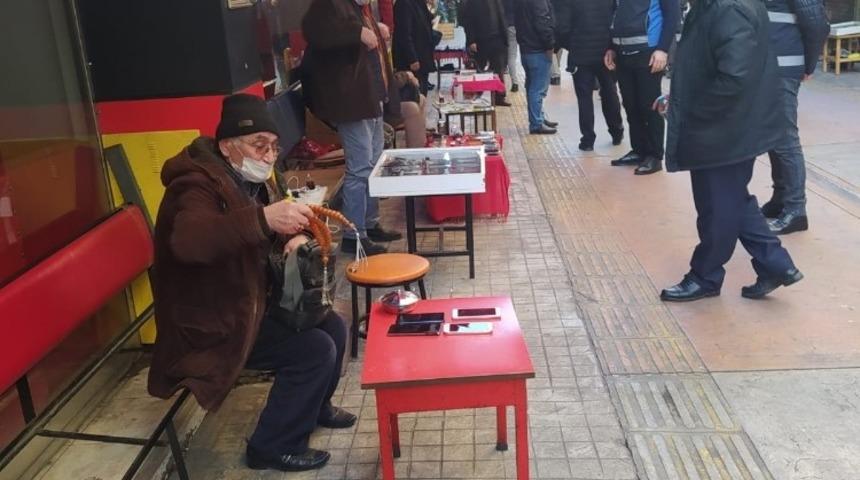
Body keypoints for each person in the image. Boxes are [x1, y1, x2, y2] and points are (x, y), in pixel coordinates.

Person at [148, 94, 356, 472]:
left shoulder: (250, 178)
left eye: (274, 146)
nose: (268, 155)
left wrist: (289, 237)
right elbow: (190, 241)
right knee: (313, 350)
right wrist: (264, 221)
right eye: (259, 145)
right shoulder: (194, 185)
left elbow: (259, 231)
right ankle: (271, 446)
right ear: (227, 146)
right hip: (213, 319)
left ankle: (314, 406)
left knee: (333, 326)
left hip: (249, 299)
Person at [659, 0, 803, 302]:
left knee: (717, 207)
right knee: (732, 199)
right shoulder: (713, 6)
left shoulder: (728, 8)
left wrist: (689, 110)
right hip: (727, 125)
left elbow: (735, 77)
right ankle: (776, 264)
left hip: (725, 128)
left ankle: (705, 276)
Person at [302, 0, 403, 256]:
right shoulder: (331, 5)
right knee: (359, 171)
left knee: (374, 164)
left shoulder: (362, 9)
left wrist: (374, 29)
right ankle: (353, 234)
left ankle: (369, 224)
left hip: (371, 99)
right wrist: (355, 33)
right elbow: (314, 31)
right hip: (353, 103)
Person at [761, 0, 829, 235]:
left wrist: (808, 64)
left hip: (782, 67)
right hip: (765, 67)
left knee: (785, 139)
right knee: (772, 136)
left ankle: (796, 210)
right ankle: (780, 198)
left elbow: (817, 23)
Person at [604, 0, 679, 175]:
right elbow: (615, 14)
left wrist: (663, 49)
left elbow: (672, 15)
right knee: (631, 105)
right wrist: (611, 47)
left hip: (649, 51)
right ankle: (638, 150)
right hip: (622, 52)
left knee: (649, 105)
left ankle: (655, 155)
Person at [554, 0, 623, 151]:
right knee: (609, 92)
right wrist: (611, 46)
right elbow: (615, 18)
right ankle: (617, 131)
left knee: (584, 98)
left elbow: (562, 27)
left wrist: (573, 44)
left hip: (580, 54)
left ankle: (588, 139)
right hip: (605, 52)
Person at [514, 0, 556, 134]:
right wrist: (550, 44)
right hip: (538, 48)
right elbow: (542, 22)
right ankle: (536, 123)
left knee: (532, 86)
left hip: (527, 48)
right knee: (537, 89)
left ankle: (539, 117)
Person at [460, 0, 512, 106]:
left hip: (498, 38)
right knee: (479, 69)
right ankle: (477, 95)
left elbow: (502, 14)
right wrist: (471, 40)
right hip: (480, 40)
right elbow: (468, 20)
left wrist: (504, 37)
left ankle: (499, 96)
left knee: (499, 69)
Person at [393, 0, 436, 95]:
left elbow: (428, 19)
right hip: (411, 60)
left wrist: (430, 6)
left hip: (422, 56)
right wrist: (412, 58)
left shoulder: (419, 2)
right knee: (414, 94)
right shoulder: (404, 3)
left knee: (423, 92)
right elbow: (404, 33)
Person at [501, 0, 521, 92]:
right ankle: (515, 82)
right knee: (512, 55)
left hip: (502, 27)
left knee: (504, 56)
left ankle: (502, 84)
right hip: (514, 26)